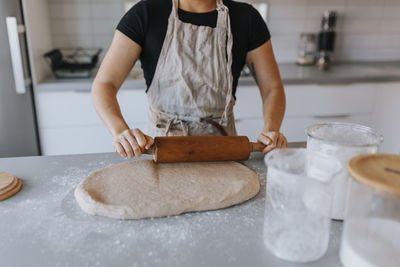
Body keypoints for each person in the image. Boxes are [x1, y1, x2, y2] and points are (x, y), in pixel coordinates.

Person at [91, 0, 288, 159]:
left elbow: (272, 87)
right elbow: (104, 84)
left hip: (222, 150)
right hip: (159, 148)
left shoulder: (247, 18)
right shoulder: (145, 14)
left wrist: (270, 131)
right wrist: (120, 132)